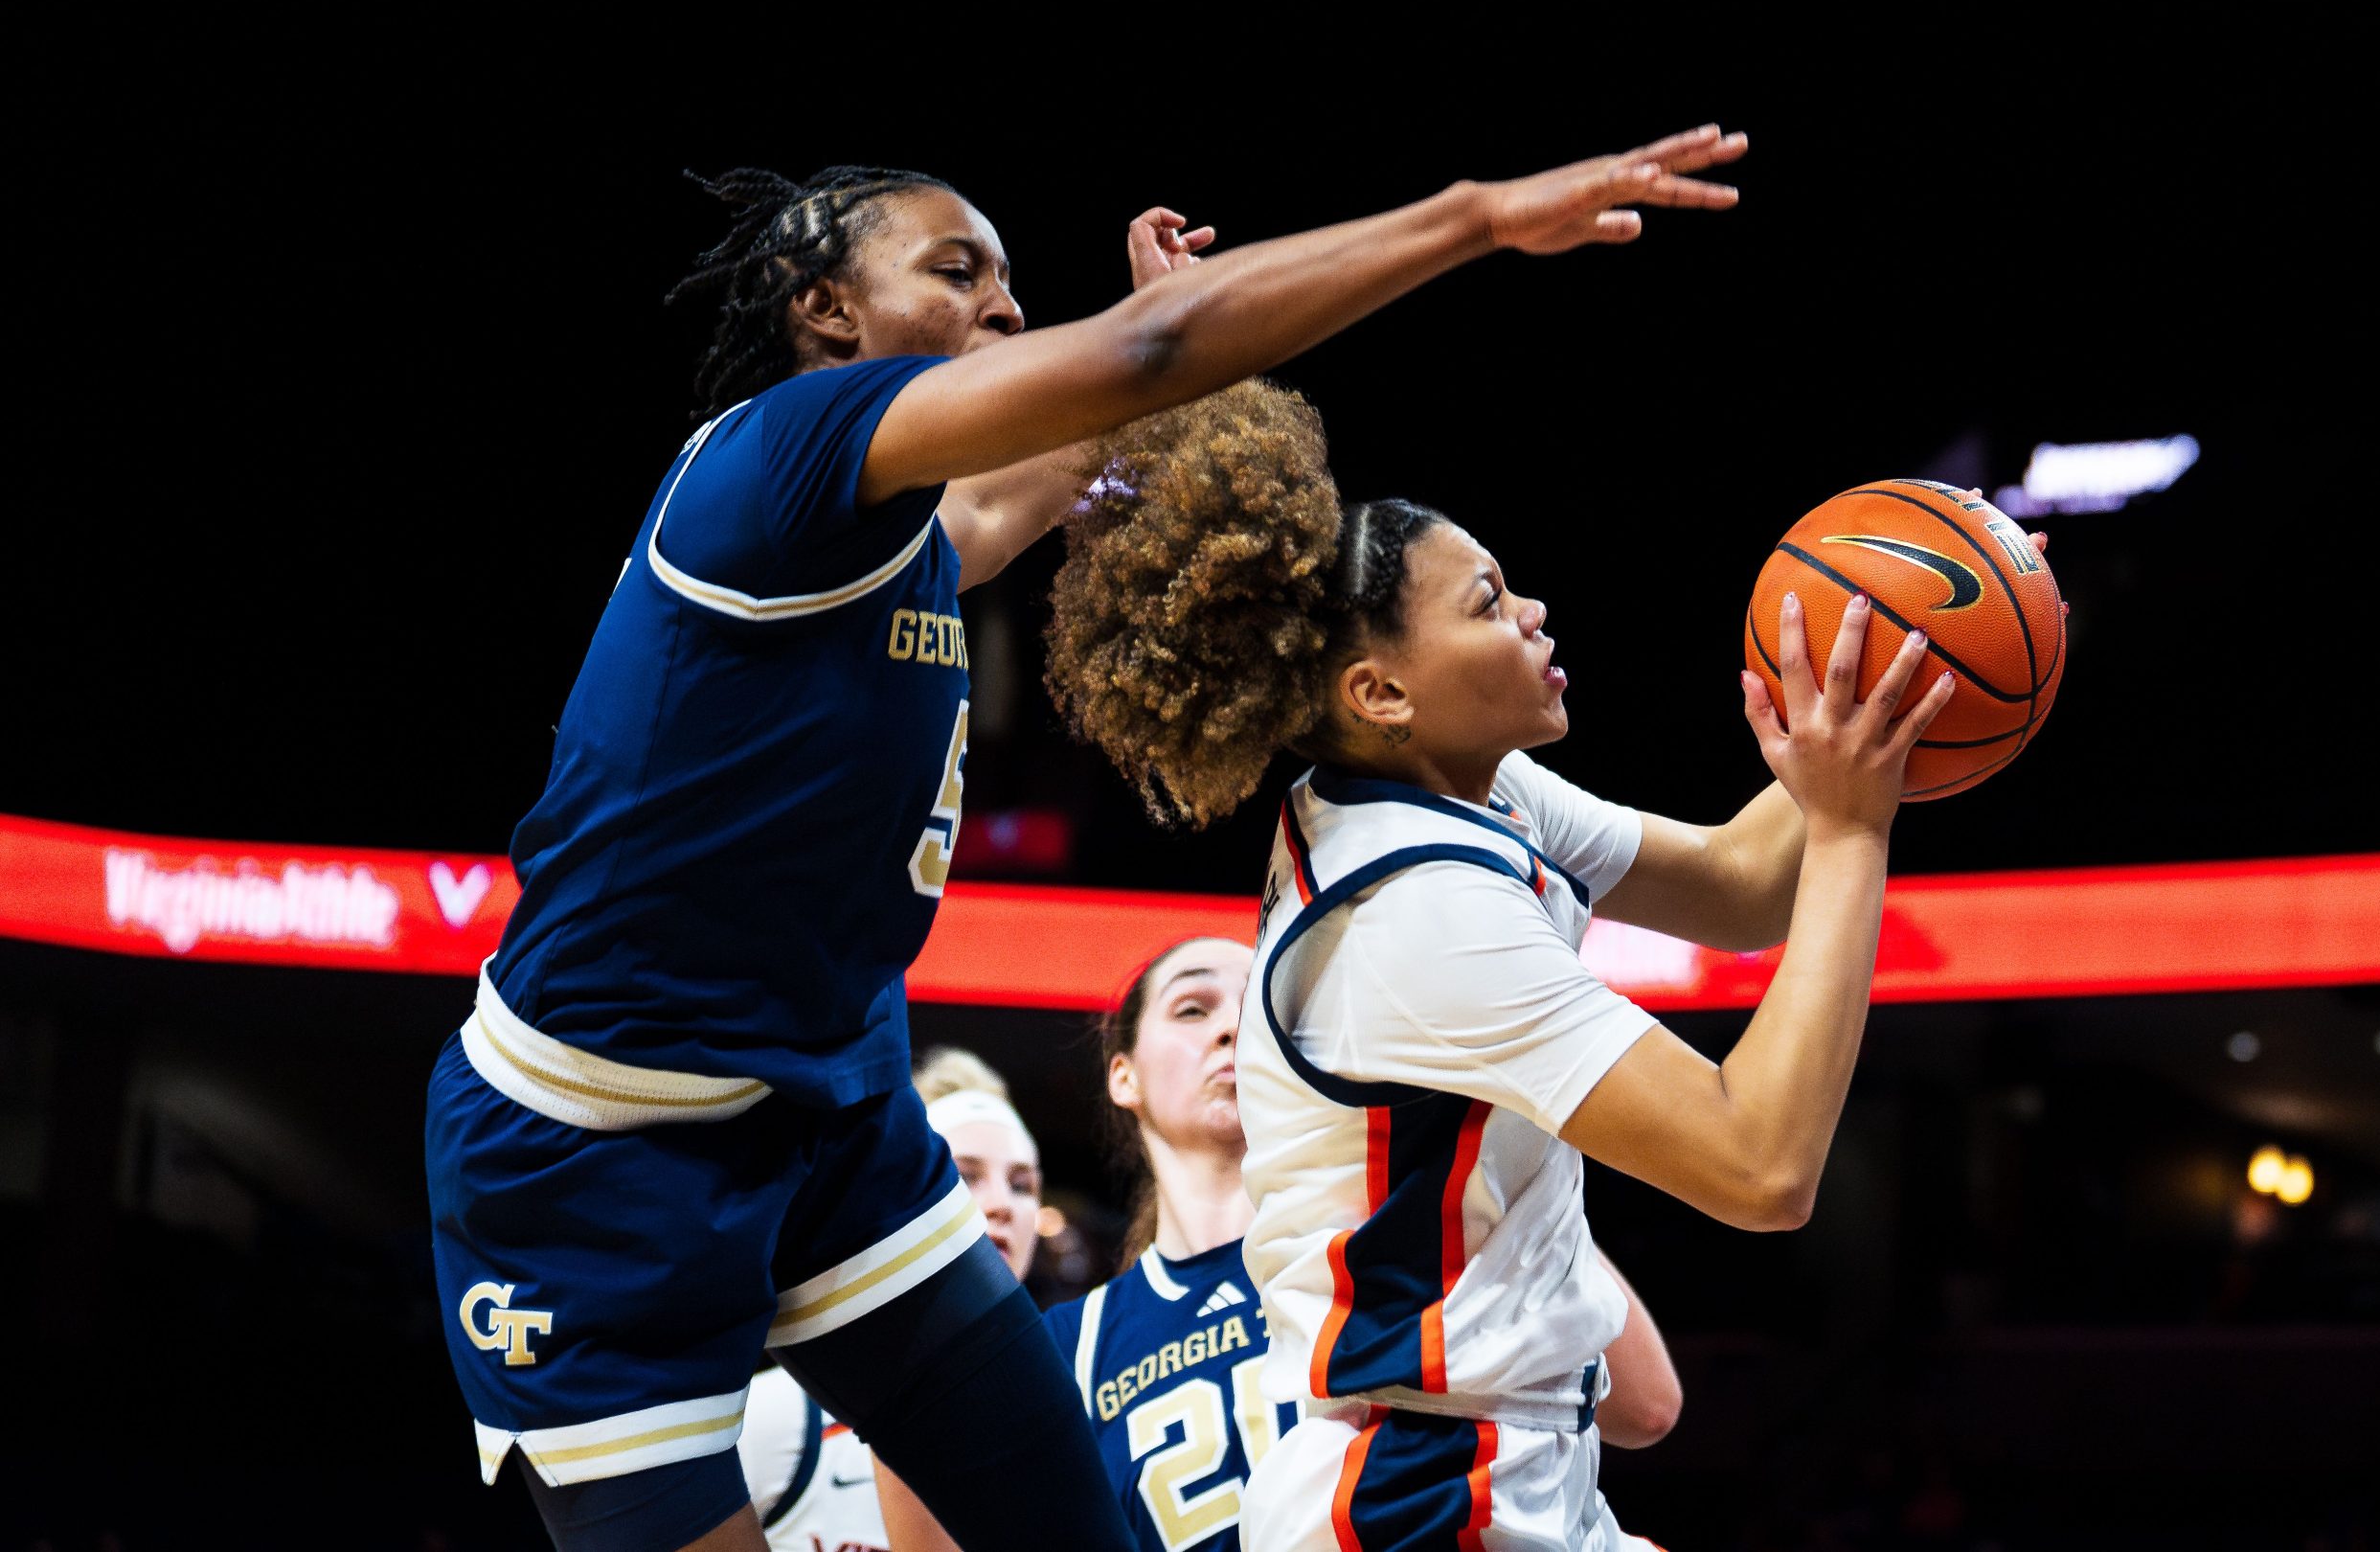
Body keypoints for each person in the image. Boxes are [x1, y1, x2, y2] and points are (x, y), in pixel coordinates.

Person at [425, 126, 1748, 1552]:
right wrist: (1475, 215)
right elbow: (1139, 358)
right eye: (957, 271)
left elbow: (1073, 441)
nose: (1004, 307)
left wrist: (1158, 360)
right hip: (594, 1157)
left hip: (833, 1116)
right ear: (827, 309)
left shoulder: (910, 535)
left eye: (1010, 282)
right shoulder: (772, 456)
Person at [1041, 382, 1977, 1549]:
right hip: (1422, 1495)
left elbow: (1738, 885)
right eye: (1487, 601)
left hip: (1495, 1464)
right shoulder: (1414, 919)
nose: (1533, 611)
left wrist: (1904, 667)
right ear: (1381, 693)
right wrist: (1850, 826)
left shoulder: (1456, 787)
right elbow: (1760, 1163)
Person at [1042, 938, 1685, 1552]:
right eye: (1192, 1009)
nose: (1233, 1028)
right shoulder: (1074, 1344)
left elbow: (1645, 1408)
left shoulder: (1400, 1224)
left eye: (1260, 1008)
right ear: (1123, 1076)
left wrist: (1502, 1187)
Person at [739, 1048, 1042, 1552]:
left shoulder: (1063, 1419)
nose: (1002, 1204)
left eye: (1022, 1184)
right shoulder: (783, 1417)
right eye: (966, 1175)